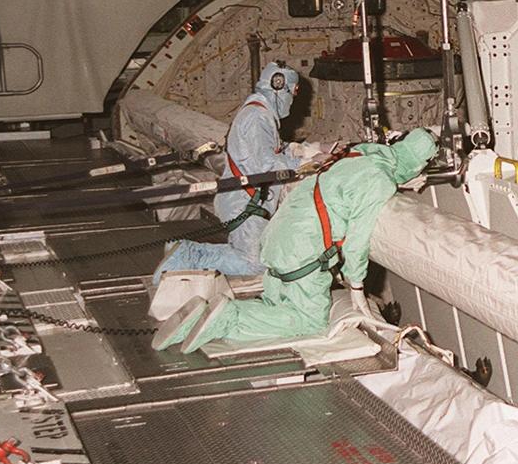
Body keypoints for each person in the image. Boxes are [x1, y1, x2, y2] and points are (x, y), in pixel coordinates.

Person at [152, 128, 437, 352]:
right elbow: (356, 242)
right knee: (309, 320)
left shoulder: (359, 156)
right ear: (418, 163)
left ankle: (197, 313)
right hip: (303, 250)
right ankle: (230, 318)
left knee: (276, 305)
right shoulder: (379, 181)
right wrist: (357, 285)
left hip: (277, 236)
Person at [152, 63, 308, 282]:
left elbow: (260, 151)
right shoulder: (258, 117)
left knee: (252, 257)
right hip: (245, 201)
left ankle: (186, 251)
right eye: (292, 92)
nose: (292, 98)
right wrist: (304, 161)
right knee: (254, 263)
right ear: (279, 87)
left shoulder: (258, 112)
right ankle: (189, 254)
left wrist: (290, 150)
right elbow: (266, 164)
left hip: (243, 198)